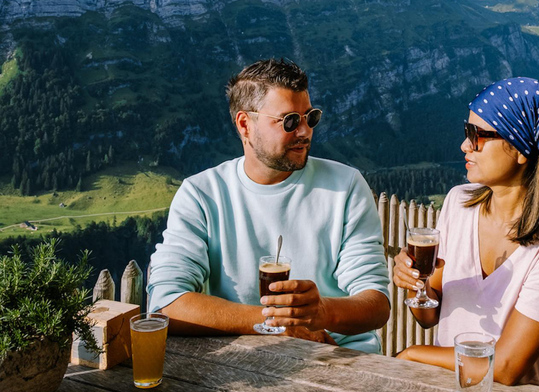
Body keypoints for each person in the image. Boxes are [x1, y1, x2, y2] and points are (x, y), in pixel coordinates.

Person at [147, 58, 390, 353]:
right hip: (246, 362)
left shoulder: (347, 186)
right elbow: (166, 304)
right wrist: (279, 325)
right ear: (245, 124)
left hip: (341, 357)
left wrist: (323, 311)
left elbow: (377, 304)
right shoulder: (201, 194)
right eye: (289, 121)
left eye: (310, 117)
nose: (304, 131)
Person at [393, 77, 539, 390]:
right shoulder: (458, 203)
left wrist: (414, 354)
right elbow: (428, 316)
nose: (465, 145)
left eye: (477, 136)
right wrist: (413, 285)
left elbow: (507, 367)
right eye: (466, 132)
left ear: (520, 149)